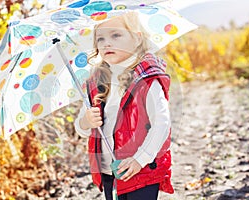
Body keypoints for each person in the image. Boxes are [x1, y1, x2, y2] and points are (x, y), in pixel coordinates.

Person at [74, 11, 174, 200]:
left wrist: (140, 159)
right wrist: (86, 122)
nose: (106, 43)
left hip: (140, 169)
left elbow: (162, 123)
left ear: (136, 38)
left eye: (116, 35)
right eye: (100, 39)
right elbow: (82, 127)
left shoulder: (146, 77)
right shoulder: (96, 81)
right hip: (108, 170)